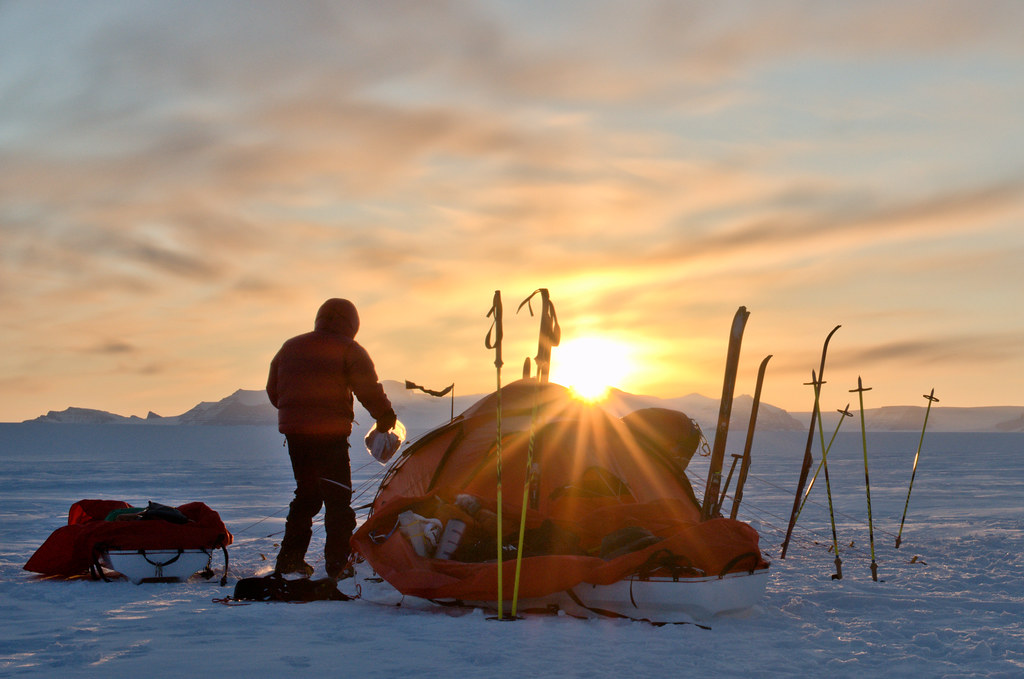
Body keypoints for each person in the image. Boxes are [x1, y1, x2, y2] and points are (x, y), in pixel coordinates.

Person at [266, 298, 396, 579]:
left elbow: (274, 392)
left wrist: (297, 413)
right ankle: (338, 565)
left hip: (296, 435)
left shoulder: (290, 347)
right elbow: (367, 388)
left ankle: (289, 562)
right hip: (329, 436)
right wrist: (385, 416)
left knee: (307, 496)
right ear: (352, 325)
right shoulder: (348, 349)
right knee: (338, 500)